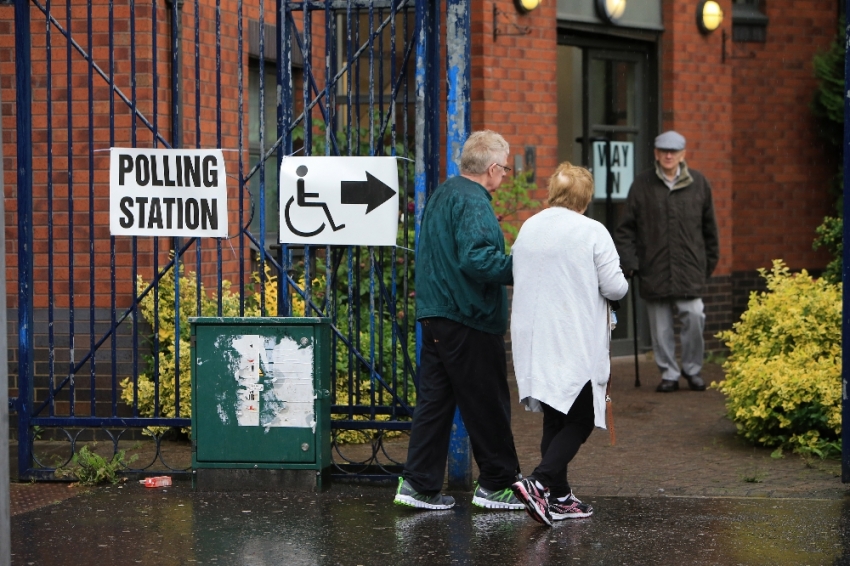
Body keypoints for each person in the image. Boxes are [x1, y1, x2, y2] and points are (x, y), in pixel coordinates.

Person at [393, 130, 524, 511]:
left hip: (435, 314)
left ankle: (418, 484)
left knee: (435, 402)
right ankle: (498, 483)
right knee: (487, 403)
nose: (504, 176)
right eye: (506, 168)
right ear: (493, 168)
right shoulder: (474, 202)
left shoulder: (442, 194)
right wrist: (522, 266)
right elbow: (477, 259)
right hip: (469, 316)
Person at [509, 162, 628, 526]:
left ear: (553, 192)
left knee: (554, 417)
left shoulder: (529, 226)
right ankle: (540, 483)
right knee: (580, 418)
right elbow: (615, 287)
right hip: (572, 335)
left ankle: (560, 498)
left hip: (533, 335)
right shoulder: (592, 231)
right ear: (585, 198)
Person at [614, 131, 720, 393]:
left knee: (695, 316)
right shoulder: (642, 185)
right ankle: (669, 374)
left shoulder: (700, 184)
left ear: (683, 154)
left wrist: (707, 265)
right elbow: (625, 229)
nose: (668, 155)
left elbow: (711, 231)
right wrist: (631, 262)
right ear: (656, 154)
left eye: (673, 151)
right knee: (660, 329)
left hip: (690, 270)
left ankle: (693, 369)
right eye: (663, 151)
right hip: (654, 269)